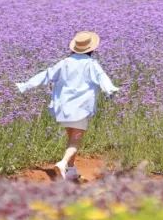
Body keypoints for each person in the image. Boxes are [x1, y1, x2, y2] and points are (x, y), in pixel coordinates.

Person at [16, 31, 118, 180]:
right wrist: (111, 90)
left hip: (64, 109)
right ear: (92, 49)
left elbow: (47, 74)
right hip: (80, 109)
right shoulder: (91, 64)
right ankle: (62, 164)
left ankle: (71, 173)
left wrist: (25, 85)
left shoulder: (65, 62)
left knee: (71, 139)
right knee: (75, 142)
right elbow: (103, 78)